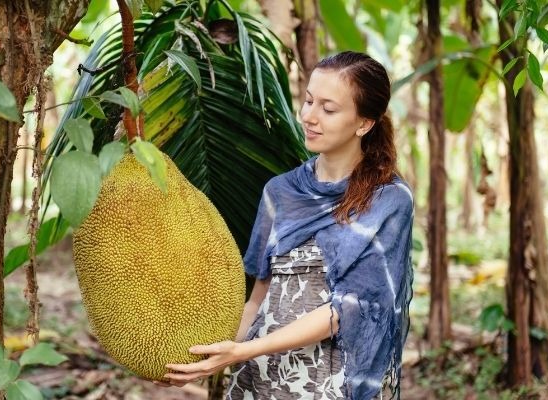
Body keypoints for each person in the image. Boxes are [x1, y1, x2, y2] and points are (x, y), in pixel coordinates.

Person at [159, 51, 414, 399]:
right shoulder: (280, 191)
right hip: (260, 378)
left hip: (330, 383)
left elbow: (345, 310)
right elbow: (257, 301)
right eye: (308, 101)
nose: (309, 116)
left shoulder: (389, 200)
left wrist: (245, 350)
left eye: (328, 108)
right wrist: (197, 358)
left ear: (364, 123)